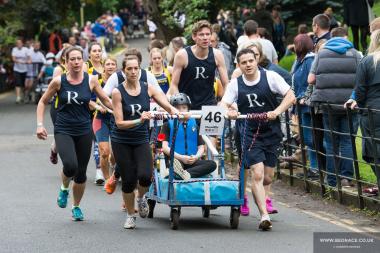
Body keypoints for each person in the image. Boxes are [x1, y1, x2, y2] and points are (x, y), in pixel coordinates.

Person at [221, 48, 295, 230]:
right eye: (244, 63)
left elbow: (291, 95)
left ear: (257, 60)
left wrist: (277, 111)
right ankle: (264, 215)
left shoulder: (270, 77)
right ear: (239, 65)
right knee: (257, 173)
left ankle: (262, 203)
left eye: (250, 61)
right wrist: (229, 111)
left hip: (271, 131)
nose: (248, 65)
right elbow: (223, 103)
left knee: (268, 178)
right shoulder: (236, 84)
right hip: (250, 133)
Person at [36, 47, 113, 221]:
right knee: (70, 166)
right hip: (63, 129)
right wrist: (40, 125)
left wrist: (118, 110)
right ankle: (64, 189)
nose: (76, 62)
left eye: (79, 58)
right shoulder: (58, 81)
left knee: (81, 173)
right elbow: (42, 102)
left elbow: (105, 99)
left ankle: (76, 207)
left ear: (82, 61)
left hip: (84, 129)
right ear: (66, 61)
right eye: (73, 59)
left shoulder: (91, 81)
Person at [111, 57, 179, 229]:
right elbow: (119, 123)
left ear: (140, 70)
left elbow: (166, 105)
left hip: (140, 139)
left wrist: (176, 112)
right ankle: (130, 215)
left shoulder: (147, 88)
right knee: (128, 180)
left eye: (136, 69)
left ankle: (140, 198)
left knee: (145, 175)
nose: (133, 72)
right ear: (123, 71)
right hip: (122, 140)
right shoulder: (117, 92)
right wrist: (139, 120)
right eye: (129, 69)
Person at [308, 27, 361, 187]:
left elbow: (310, 79)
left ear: (331, 38)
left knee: (331, 142)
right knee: (347, 141)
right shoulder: (355, 54)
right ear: (346, 37)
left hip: (328, 105)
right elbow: (362, 78)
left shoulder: (321, 54)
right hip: (349, 105)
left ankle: (331, 179)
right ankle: (346, 178)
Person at [344, 29, 380, 194]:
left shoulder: (367, 62)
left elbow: (360, 92)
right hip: (372, 110)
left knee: (371, 151)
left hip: (372, 112)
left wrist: (356, 101)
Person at [167, 20, 229, 111]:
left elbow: (226, 83)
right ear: (194, 36)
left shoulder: (217, 54)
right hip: (187, 106)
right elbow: (174, 84)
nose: (205, 37)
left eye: (208, 34)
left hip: (209, 107)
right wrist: (180, 107)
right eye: (201, 34)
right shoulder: (182, 55)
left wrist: (224, 102)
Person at [161, 93, 217, 180]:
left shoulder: (195, 125)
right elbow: (164, 147)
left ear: (188, 109)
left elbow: (201, 147)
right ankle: (179, 172)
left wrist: (196, 157)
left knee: (212, 164)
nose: (181, 110)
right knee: (175, 164)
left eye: (184, 107)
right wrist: (181, 158)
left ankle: (184, 174)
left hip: (192, 161)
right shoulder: (166, 125)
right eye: (177, 108)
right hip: (176, 160)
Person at [291, 34, 318, 179]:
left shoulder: (309, 61)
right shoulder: (299, 61)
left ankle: (316, 168)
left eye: (295, 44)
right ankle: (313, 167)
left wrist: (303, 97)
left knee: (311, 138)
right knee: (307, 138)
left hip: (307, 106)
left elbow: (310, 83)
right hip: (300, 106)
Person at [92, 57, 118, 194]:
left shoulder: (120, 81)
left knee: (115, 154)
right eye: (107, 64)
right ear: (103, 66)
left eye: (113, 64)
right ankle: (108, 180)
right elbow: (89, 100)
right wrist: (98, 105)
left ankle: (114, 170)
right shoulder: (97, 81)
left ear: (117, 67)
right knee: (104, 152)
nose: (110, 66)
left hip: (116, 119)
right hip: (101, 119)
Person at [83, 42, 106, 185]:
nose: (97, 53)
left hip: (102, 107)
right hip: (87, 107)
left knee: (99, 140)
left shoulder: (105, 66)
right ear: (89, 53)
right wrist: (92, 104)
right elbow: (82, 88)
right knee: (86, 142)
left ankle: (99, 170)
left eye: (99, 50)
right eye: (94, 51)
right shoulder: (86, 67)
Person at [12, 39, 30, 104]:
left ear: (22, 44)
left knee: (24, 85)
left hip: (25, 70)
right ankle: (18, 97)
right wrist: (20, 61)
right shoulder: (14, 49)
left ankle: (23, 95)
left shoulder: (26, 50)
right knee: (18, 83)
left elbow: (29, 59)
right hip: (17, 69)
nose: (18, 44)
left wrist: (28, 61)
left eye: (20, 43)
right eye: (17, 43)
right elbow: (13, 58)